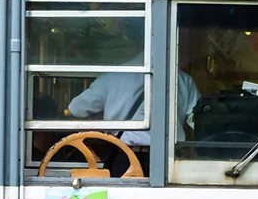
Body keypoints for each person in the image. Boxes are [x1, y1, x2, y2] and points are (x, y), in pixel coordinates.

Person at [67, 70, 200, 175]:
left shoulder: (113, 76)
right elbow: (198, 121)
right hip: (169, 161)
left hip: (125, 158)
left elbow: (75, 110)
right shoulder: (183, 79)